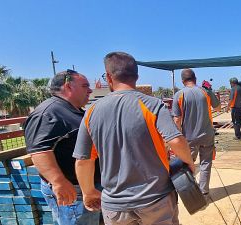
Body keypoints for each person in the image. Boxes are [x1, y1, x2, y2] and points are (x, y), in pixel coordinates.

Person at [73, 52, 194, 225]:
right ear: (136, 76)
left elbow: (83, 161)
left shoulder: (92, 112)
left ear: (108, 76)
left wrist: (88, 192)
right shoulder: (152, 105)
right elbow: (175, 140)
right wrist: (188, 162)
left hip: (115, 206)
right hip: (156, 199)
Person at [24, 69, 101, 224]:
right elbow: (39, 151)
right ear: (68, 86)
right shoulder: (49, 112)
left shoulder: (73, 110)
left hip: (86, 188)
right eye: (85, 86)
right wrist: (59, 182)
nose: (90, 90)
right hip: (72, 191)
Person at [172, 68, 221, 196]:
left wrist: (179, 137)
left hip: (189, 138)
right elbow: (218, 107)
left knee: (187, 165)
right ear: (195, 79)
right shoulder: (205, 91)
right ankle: (204, 191)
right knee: (206, 164)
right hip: (207, 136)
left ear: (183, 81)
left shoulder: (179, 95)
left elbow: (177, 119)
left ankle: (190, 193)